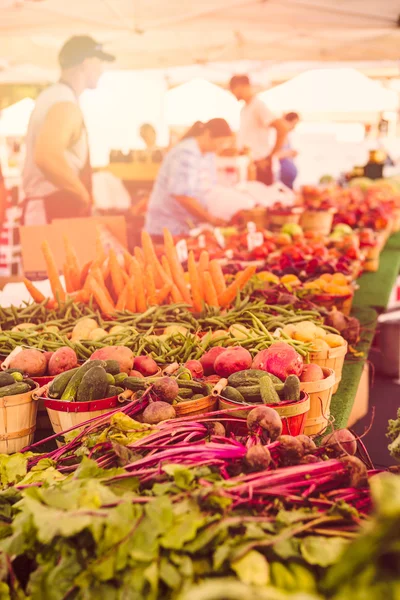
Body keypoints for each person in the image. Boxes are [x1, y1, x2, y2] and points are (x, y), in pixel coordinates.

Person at [22, 35, 115, 225]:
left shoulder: (54, 96)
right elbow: (46, 156)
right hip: (54, 209)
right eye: (100, 62)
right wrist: (82, 194)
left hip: (48, 208)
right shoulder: (64, 102)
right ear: (87, 62)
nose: (102, 70)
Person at [145, 119, 232, 239]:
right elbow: (182, 196)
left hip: (187, 228)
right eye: (221, 143)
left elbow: (208, 187)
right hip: (167, 229)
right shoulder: (185, 152)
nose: (221, 148)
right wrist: (211, 219)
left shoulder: (208, 154)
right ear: (208, 134)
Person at [229, 74, 287, 186]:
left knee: (263, 199)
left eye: (233, 89)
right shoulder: (245, 108)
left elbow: (282, 129)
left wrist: (270, 157)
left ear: (242, 86)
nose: (232, 93)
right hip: (249, 164)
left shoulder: (258, 106)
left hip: (261, 164)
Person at [278, 112, 300, 189]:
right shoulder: (278, 135)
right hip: (282, 181)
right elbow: (274, 156)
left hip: (288, 182)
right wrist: (290, 153)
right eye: (294, 124)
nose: (294, 127)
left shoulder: (286, 136)